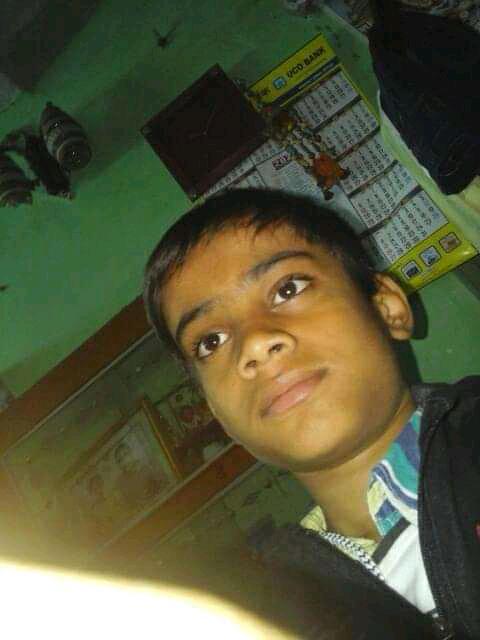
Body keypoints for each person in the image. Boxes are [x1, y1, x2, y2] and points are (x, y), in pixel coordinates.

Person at [143, 188, 480, 639]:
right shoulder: (271, 617)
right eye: (211, 341)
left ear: (387, 308)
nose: (254, 345)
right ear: (217, 413)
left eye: (288, 289)